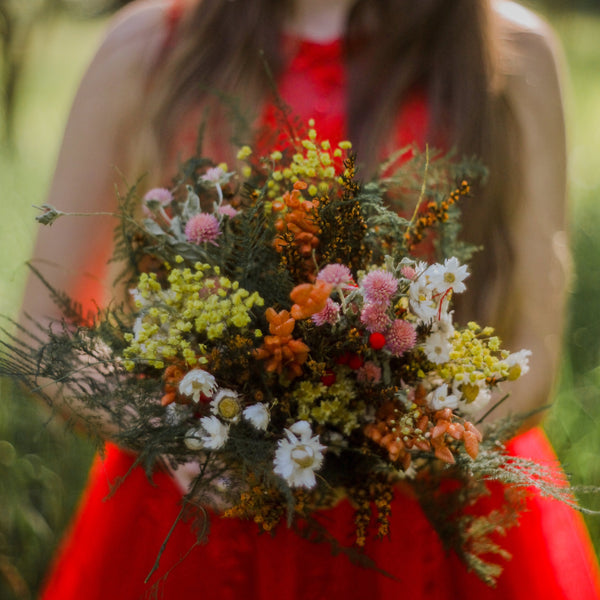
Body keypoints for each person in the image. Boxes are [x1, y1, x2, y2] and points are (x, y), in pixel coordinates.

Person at [20, 0, 600, 598]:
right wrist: (169, 428)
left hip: (429, 524)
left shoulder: (509, 54)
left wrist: (408, 442)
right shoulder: (151, 48)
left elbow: (534, 356)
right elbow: (47, 329)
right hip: (198, 520)